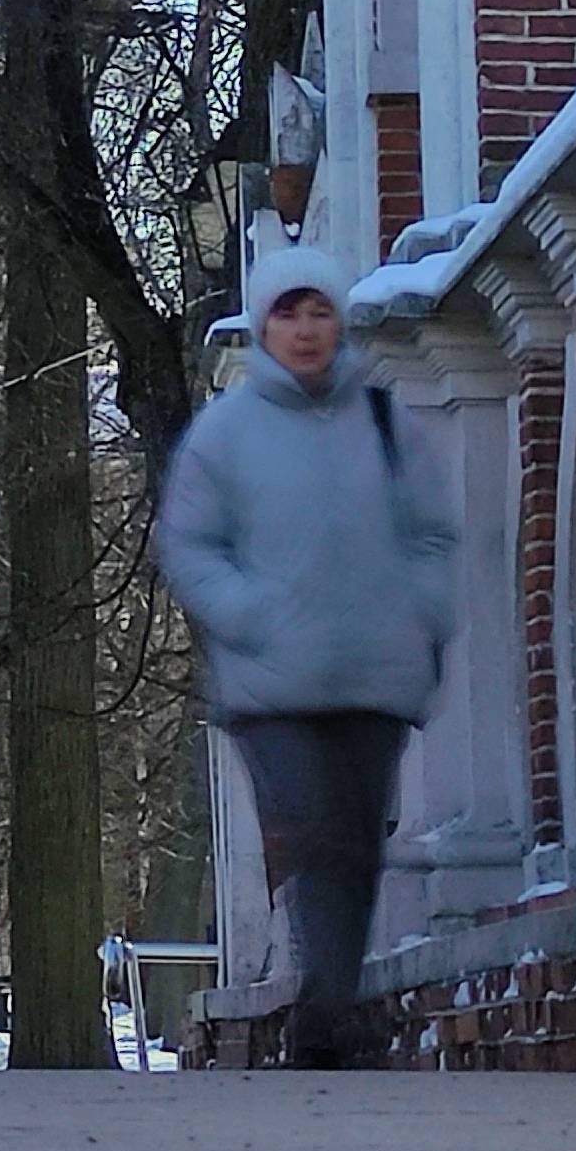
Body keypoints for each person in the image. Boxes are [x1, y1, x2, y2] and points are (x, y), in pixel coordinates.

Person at [159, 241, 461, 1070]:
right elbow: (190, 545)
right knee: (315, 835)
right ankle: (326, 1018)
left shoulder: (385, 423)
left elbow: (433, 533)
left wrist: (422, 611)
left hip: (374, 674)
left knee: (357, 845)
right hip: (272, 686)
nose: (304, 329)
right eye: (287, 314)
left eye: (319, 311)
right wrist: (249, 613)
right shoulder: (224, 434)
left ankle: (329, 1006)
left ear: (340, 322)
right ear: (263, 326)